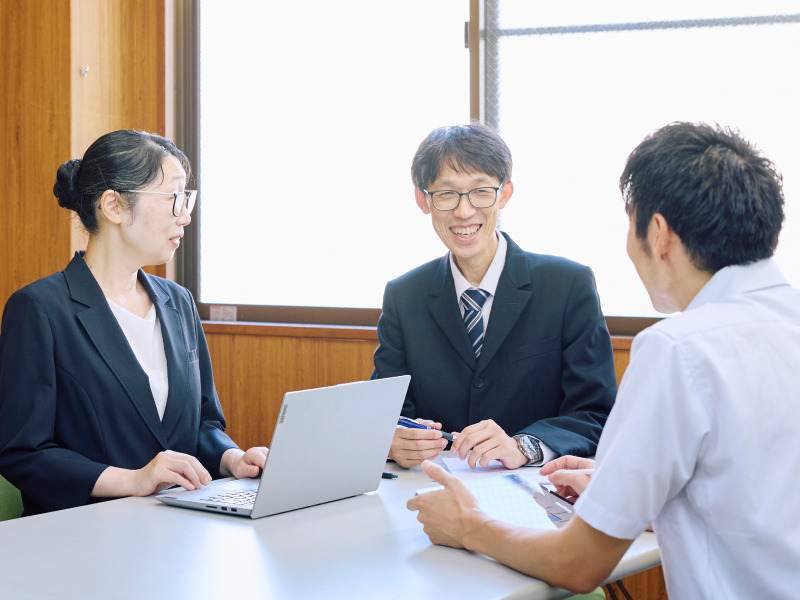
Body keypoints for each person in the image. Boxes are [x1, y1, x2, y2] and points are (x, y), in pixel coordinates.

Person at [407, 122, 800, 598]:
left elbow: (577, 565)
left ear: (657, 233)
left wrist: (469, 526)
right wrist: (622, 485)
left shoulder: (678, 349)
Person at [0, 130, 268, 516]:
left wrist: (233, 458)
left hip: (179, 529)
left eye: (187, 198)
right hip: (83, 539)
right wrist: (132, 480)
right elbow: (23, 452)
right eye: (174, 198)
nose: (186, 215)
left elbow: (202, 425)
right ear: (114, 206)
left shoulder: (178, 302)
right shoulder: (39, 308)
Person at [372, 123, 617, 470]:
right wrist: (391, 439)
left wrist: (525, 446)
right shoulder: (403, 296)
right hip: (430, 490)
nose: (464, 211)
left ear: (505, 194)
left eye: (480, 191)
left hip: (536, 490)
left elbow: (596, 412)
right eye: (446, 194)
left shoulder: (568, 285)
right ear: (422, 199)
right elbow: (385, 413)